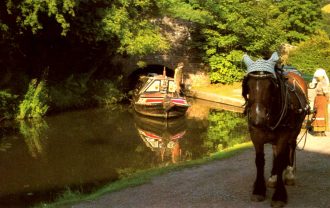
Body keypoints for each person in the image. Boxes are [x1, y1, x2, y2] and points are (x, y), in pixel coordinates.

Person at [309, 68, 330, 136]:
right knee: (318, 113)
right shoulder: (319, 82)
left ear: (322, 76)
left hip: (322, 98)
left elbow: (326, 92)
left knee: (321, 114)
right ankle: (318, 130)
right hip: (318, 99)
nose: (317, 78)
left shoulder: (323, 82)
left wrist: (328, 98)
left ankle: (320, 130)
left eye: (318, 77)